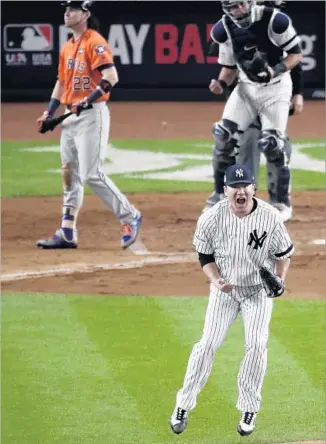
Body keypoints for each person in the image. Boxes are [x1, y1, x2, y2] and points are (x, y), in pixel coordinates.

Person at [170, 163, 294, 436]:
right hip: (223, 292)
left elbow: (283, 253)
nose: (240, 191)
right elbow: (204, 256)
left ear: (253, 189)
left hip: (257, 293)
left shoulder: (270, 217)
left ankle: (249, 408)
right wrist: (216, 280)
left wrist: (280, 279)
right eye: (234, 187)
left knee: (257, 345)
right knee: (207, 344)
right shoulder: (211, 218)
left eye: (245, 186)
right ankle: (183, 404)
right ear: (225, 190)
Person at [36, 0, 142, 250]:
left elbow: (111, 77)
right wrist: (48, 112)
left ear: (85, 14)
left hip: (92, 116)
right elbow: (61, 83)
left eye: (72, 9)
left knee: (92, 174)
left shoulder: (95, 42)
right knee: (69, 175)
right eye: (66, 9)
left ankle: (130, 216)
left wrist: (88, 100)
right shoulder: (67, 47)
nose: (66, 13)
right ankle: (67, 231)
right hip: (69, 116)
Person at [202, 0, 303, 223]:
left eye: (241, 5)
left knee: (272, 144)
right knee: (223, 137)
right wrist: (220, 83)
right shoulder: (224, 29)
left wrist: (275, 71)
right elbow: (228, 69)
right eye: (233, 7)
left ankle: (280, 202)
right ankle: (219, 197)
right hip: (246, 88)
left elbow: (296, 55)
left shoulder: (275, 20)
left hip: (276, 87)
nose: (238, 11)